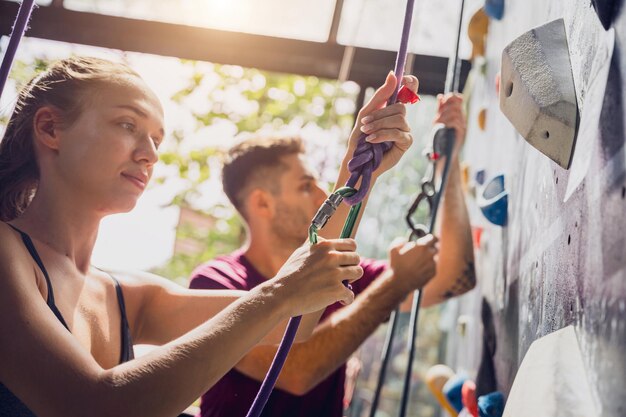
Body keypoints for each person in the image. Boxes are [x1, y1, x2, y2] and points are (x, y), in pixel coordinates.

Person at [0, 56, 418, 417]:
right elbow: (96, 408)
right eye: (127, 125)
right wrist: (280, 294)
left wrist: (358, 171)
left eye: (156, 139)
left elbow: (295, 320)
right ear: (51, 128)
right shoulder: (6, 252)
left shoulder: (126, 295)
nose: (149, 154)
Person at [189, 93, 475, 416]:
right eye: (306, 186)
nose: (323, 194)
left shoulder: (337, 270)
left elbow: (453, 277)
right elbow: (294, 370)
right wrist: (394, 284)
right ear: (262, 204)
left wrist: (445, 165)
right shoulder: (215, 283)